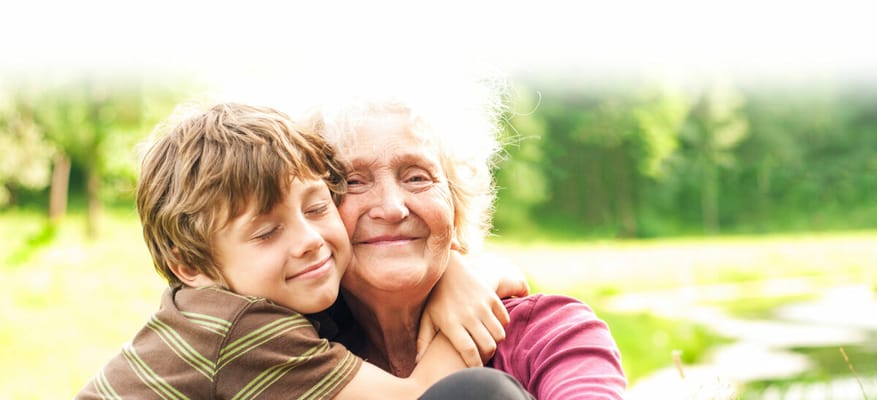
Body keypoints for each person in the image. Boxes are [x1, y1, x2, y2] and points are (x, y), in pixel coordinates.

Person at [75, 103, 533, 399]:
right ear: (189, 264)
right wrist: (481, 275)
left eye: (317, 207)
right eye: (266, 233)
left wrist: (451, 265)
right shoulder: (243, 330)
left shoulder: (218, 308)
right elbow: (423, 395)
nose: (310, 239)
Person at [306, 79, 628, 399]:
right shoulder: (296, 352)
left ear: (457, 206)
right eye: (354, 182)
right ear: (311, 214)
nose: (392, 208)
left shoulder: (549, 333)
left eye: (417, 177)